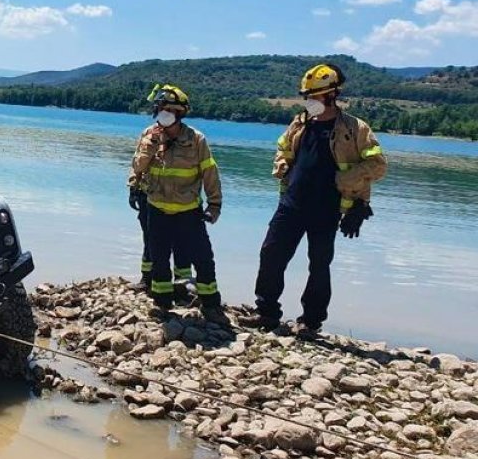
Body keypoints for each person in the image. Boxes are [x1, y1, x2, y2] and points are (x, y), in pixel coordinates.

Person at [241, 63, 387, 340]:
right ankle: (267, 312)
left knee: (319, 265)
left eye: (314, 96)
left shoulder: (355, 128)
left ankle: (311, 321)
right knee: (271, 254)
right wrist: (282, 166)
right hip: (292, 204)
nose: (309, 101)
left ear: (331, 95)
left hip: (327, 208)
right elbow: (283, 149)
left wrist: (351, 188)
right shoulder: (300, 122)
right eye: (307, 96)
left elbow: (377, 165)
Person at [129, 84, 225, 324]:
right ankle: (162, 304)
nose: (164, 113)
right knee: (159, 257)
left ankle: (211, 305)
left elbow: (210, 173)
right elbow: (137, 167)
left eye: (169, 110)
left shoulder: (196, 140)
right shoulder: (149, 135)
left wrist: (214, 205)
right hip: (157, 208)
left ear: (180, 114)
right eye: (161, 108)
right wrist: (134, 186)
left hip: (188, 211)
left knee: (203, 258)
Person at [128, 128, 195, 303]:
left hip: (179, 199)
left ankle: (182, 287)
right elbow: (137, 161)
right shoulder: (149, 133)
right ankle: (147, 279)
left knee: (181, 241)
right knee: (150, 238)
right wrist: (133, 187)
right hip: (148, 192)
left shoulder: (190, 136)